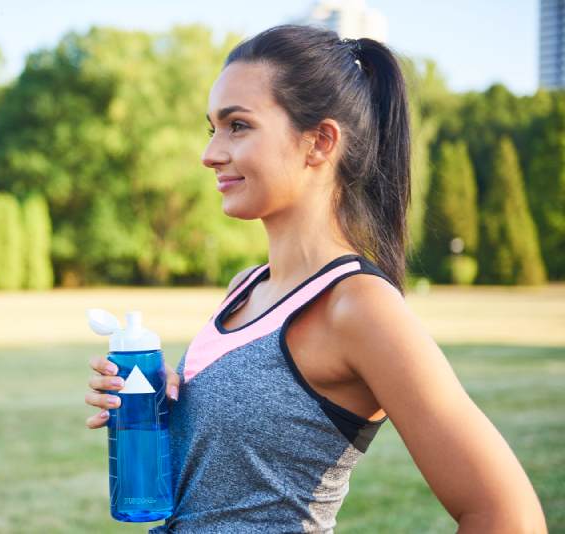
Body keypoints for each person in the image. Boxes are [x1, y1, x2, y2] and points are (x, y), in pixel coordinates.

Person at [84, 24, 547, 533]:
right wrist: (160, 413)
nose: (210, 153)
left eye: (238, 126)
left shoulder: (359, 306)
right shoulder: (246, 288)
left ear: (320, 142)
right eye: (212, 128)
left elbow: (507, 516)